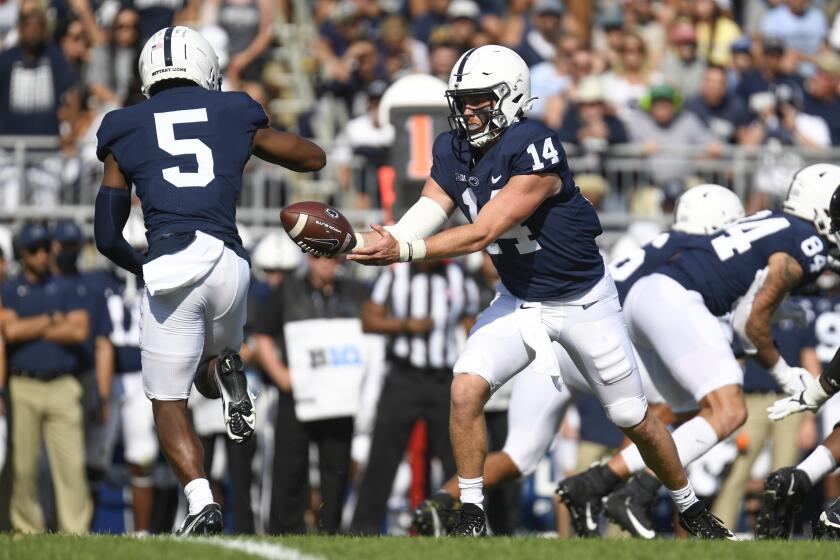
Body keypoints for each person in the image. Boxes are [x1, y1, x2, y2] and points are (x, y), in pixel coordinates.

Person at [343, 45, 729, 538]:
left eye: (480, 99)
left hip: (583, 300)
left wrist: (405, 251)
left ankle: (689, 506)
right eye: (462, 100)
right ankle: (471, 514)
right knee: (464, 389)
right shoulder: (452, 147)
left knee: (635, 418)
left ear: (510, 96)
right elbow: (431, 206)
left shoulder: (535, 143)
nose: (468, 110)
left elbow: (483, 232)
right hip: (519, 299)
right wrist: (387, 237)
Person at [92, 25, 325, 535]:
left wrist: (146, 268)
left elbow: (106, 236)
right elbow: (312, 157)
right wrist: (249, 141)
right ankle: (225, 368)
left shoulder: (123, 125)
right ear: (206, 67)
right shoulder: (235, 110)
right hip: (230, 265)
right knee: (206, 365)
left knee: (167, 400)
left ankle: (202, 502)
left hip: (174, 265)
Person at [411, 184, 746, 538]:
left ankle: (441, 502)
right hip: (596, 344)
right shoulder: (697, 258)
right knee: (676, 410)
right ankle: (618, 485)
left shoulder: (651, 244)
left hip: (552, 344)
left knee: (518, 456)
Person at [563, 163, 838, 539]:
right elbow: (750, 324)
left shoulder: (772, 219)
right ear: (822, 205)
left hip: (649, 298)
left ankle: (596, 482)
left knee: (689, 413)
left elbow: (744, 318)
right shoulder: (807, 243)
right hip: (674, 299)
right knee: (730, 411)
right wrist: (785, 375)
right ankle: (636, 495)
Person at [349, 259, 478, 534]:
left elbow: (472, 324)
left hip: (444, 378)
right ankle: (364, 529)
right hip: (403, 376)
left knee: (455, 457)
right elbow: (368, 320)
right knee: (382, 456)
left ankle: (461, 527)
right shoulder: (397, 274)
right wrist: (406, 325)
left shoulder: (458, 275)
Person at [251, 255, 367, 534]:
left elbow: (369, 334)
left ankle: (331, 530)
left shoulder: (353, 291)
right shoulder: (289, 289)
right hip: (298, 395)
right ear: (307, 258)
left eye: (333, 256)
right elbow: (261, 332)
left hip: (339, 396)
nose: (326, 262)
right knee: (289, 467)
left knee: (336, 469)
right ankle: (285, 531)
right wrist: (280, 374)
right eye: (318, 255)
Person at [1, 222, 92, 533]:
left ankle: (75, 531)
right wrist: (54, 320)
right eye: (34, 250)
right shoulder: (11, 289)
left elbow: (79, 329)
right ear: (23, 254)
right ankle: (27, 529)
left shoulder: (66, 286)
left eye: (44, 248)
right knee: (23, 466)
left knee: (71, 465)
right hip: (23, 384)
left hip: (63, 384)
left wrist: (31, 327)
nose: (42, 255)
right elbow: (10, 331)